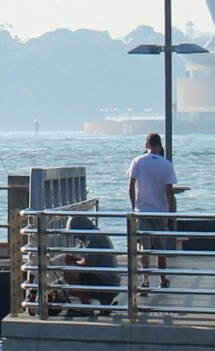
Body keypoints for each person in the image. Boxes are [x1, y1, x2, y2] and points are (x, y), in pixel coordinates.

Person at [127, 132, 177, 289]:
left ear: (146, 145)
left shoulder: (137, 161)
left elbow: (131, 187)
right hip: (160, 212)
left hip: (142, 211)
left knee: (144, 247)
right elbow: (169, 192)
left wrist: (134, 205)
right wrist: (171, 213)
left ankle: (145, 280)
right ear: (160, 146)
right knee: (161, 249)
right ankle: (162, 279)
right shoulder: (166, 165)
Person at [62, 215, 121, 313]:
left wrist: (72, 262)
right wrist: (75, 261)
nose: (75, 236)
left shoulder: (93, 238)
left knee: (68, 274)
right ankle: (104, 302)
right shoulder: (96, 233)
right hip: (111, 281)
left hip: (107, 283)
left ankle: (87, 308)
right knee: (73, 280)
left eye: (74, 233)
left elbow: (88, 264)